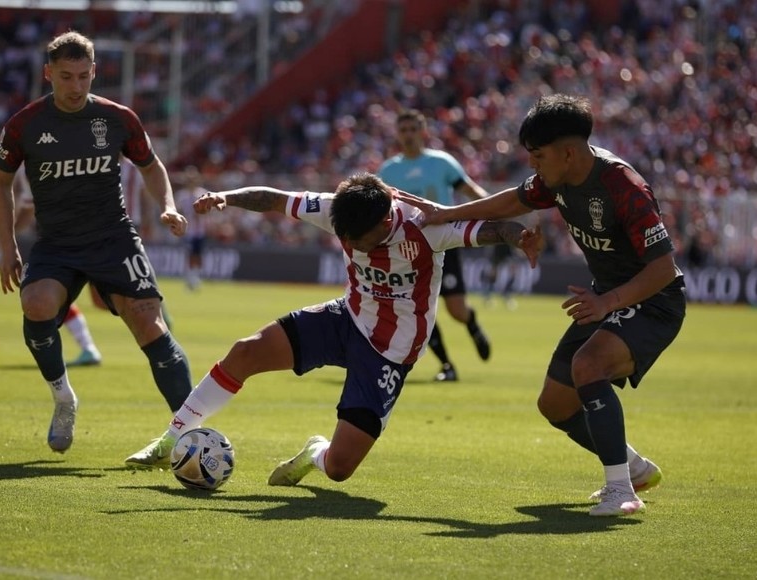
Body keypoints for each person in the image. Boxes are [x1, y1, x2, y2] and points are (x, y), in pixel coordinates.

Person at [124, 172, 542, 486]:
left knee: (340, 469)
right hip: (346, 318)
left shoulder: (426, 226)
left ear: (382, 224)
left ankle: (314, 453)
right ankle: (169, 440)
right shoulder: (340, 208)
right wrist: (224, 198)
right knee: (246, 350)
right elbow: (273, 198)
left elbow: (494, 229)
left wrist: (520, 236)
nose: (347, 243)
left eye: (354, 239)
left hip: (389, 352)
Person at [399, 94, 686, 517]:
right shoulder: (557, 179)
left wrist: (608, 301)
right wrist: (447, 213)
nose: (533, 165)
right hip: (604, 299)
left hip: (652, 301)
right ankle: (635, 466)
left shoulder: (623, 186)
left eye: (537, 156)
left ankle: (621, 490)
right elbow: (511, 201)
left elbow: (664, 268)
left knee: (588, 366)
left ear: (568, 153)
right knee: (554, 405)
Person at [0, 31, 193, 454]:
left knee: (149, 323)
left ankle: (191, 431)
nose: (76, 86)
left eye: (84, 76)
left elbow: (152, 167)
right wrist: (8, 246)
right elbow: (1, 183)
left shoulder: (117, 118)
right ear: (49, 74)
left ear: (94, 72)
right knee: (36, 305)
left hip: (112, 238)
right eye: (66, 76)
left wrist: (168, 206)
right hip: (58, 243)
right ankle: (64, 398)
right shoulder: (25, 125)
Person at [378, 109, 491, 383]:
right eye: (402, 130)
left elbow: (470, 191)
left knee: (456, 309)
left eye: (412, 130)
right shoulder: (389, 170)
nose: (407, 135)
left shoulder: (441, 163)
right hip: (406, 249)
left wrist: (493, 209)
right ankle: (447, 365)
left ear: (422, 131)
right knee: (419, 308)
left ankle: (471, 322)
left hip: (442, 243)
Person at [15, 191, 102, 367]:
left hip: (66, 246)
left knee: (102, 300)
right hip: (86, 239)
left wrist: (8, 233)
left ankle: (150, 306)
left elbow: (28, 207)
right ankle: (88, 348)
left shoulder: (36, 167)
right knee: (57, 297)